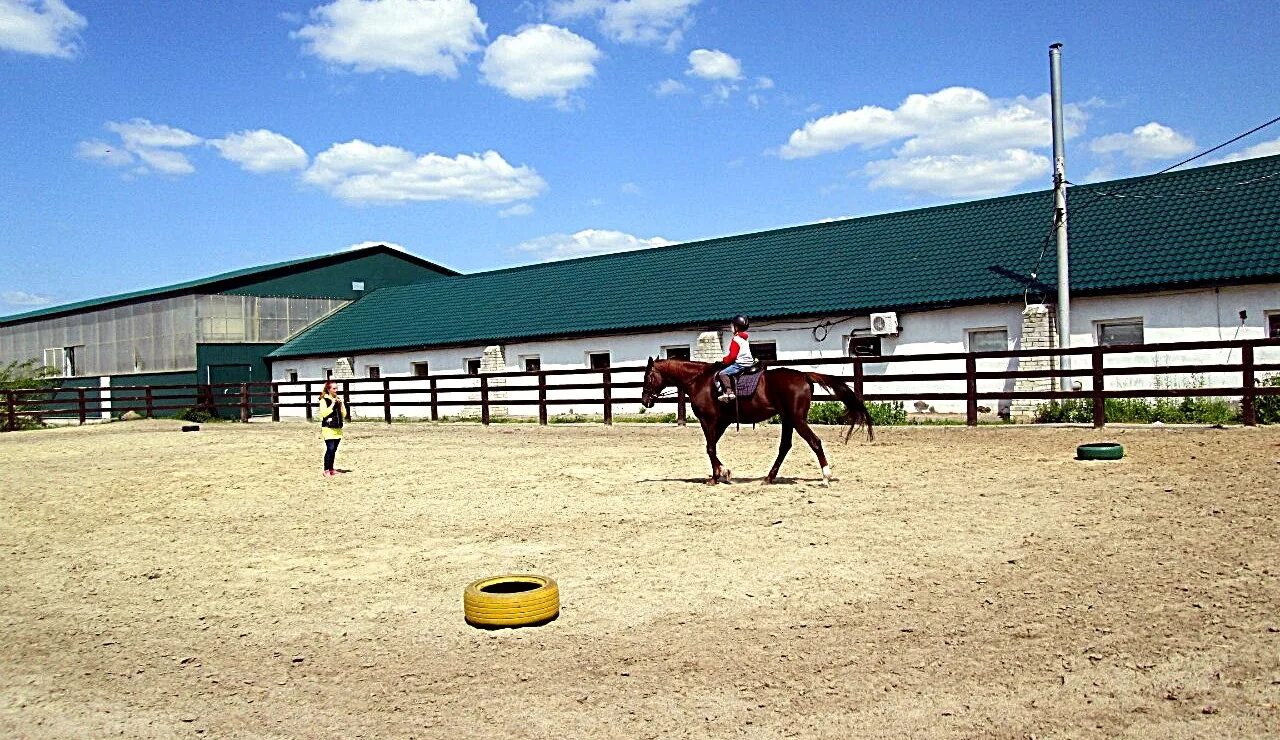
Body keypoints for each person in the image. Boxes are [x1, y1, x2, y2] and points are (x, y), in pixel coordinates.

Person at [717, 314, 755, 401]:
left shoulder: (736, 339)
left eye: (732, 326)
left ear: (736, 327)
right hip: (749, 363)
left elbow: (733, 356)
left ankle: (729, 392)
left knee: (722, 373)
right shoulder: (744, 339)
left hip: (740, 364)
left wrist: (724, 360)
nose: (731, 328)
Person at [317, 380, 347, 477]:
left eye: (336, 388)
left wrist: (341, 404)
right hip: (328, 428)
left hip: (337, 428)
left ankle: (331, 469)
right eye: (334, 388)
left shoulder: (337, 399)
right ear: (328, 389)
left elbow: (344, 414)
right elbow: (324, 413)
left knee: (334, 450)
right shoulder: (323, 400)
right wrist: (332, 404)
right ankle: (326, 470)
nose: (336, 390)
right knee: (330, 449)